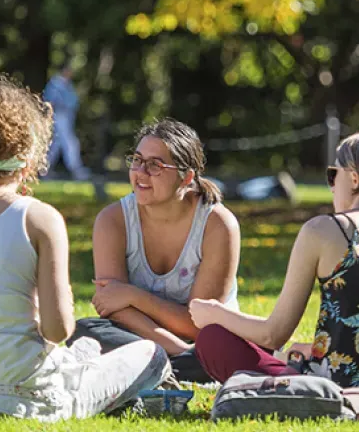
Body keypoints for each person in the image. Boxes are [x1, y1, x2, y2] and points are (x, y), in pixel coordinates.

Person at [0, 70, 168, 421]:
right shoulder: (39, 218)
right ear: (28, 156)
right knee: (150, 354)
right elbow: (57, 330)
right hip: (23, 395)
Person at [189, 131, 359, 419]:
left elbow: (273, 333)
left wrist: (215, 313)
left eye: (334, 175)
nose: (331, 186)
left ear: (354, 178)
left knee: (213, 340)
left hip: (341, 394)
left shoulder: (326, 229)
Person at [68, 118, 240, 384]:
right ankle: (177, 366)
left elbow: (200, 325)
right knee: (85, 332)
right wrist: (180, 352)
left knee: (218, 347)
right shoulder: (112, 221)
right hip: (156, 340)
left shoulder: (218, 225)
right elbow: (112, 307)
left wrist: (131, 295)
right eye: (137, 160)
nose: (140, 172)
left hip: (206, 340)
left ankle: (150, 367)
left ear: (187, 177)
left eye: (155, 165)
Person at [43, 62, 91, 181]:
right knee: (70, 143)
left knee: (55, 145)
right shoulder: (56, 84)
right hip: (59, 116)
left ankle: (44, 169)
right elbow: (51, 102)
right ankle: (76, 169)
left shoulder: (67, 84)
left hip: (66, 117)